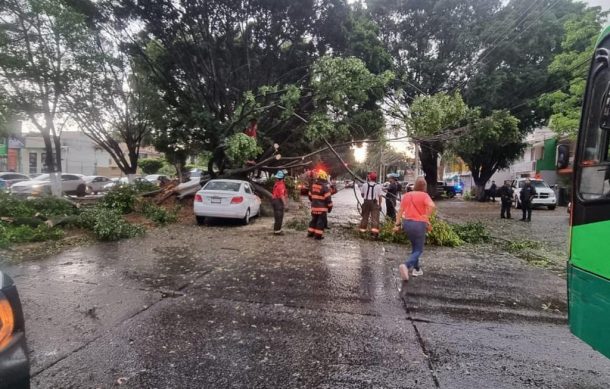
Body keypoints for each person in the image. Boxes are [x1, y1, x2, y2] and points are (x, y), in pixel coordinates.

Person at [394, 177, 436, 281]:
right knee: (419, 249)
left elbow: (400, 211)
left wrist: (397, 224)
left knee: (415, 247)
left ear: (415, 185)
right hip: (419, 224)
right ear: (424, 186)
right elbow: (432, 206)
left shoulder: (407, 195)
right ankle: (406, 265)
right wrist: (426, 217)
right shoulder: (424, 195)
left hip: (407, 223)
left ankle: (416, 269)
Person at [307, 170, 333, 240]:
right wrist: (330, 208)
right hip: (322, 209)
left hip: (314, 208)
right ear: (324, 178)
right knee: (320, 222)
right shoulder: (325, 187)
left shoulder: (313, 186)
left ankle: (310, 233)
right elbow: (328, 200)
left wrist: (314, 202)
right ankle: (318, 236)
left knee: (313, 220)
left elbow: (310, 196)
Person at [359, 172, 383, 238]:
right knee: (375, 219)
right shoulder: (378, 186)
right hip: (374, 203)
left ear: (369, 178)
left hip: (366, 202)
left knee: (364, 218)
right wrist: (380, 205)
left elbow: (362, 194)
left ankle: (362, 232)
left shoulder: (364, 185)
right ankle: (374, 234)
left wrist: (367, 196)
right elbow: (380, 197)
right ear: (375, 178)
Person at [271, 171, 288, 235]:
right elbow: (281, 196)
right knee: (279, 216)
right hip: (278, 202)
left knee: (277, 216)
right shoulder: (281, 185)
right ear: (282, 178)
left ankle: (276, 230)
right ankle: (278, 231)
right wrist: (285, 204)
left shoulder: (276, 184)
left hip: (274, 201)